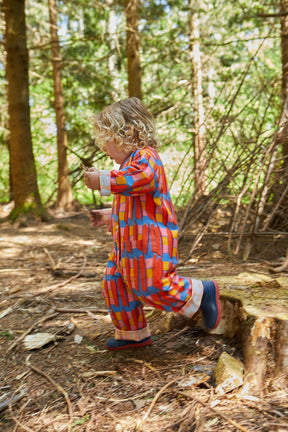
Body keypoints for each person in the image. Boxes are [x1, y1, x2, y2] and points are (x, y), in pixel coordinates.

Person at [84, 97, 221, 351]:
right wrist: (108, 214)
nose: (104, 147)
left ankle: (202, 292)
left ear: (129, 134)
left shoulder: (147, 158)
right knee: (115, 284)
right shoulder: (126, 166)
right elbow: (131, 202)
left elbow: (139, 181)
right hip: (126, 248)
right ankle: (132, 333)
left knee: (153, 286)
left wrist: (102, 180)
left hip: (150, 243)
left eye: (107, 139)